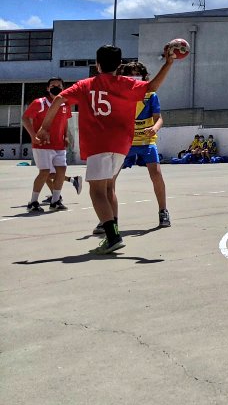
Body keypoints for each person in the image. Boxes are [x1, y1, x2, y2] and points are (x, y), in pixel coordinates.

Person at [35, 44, 178, 254]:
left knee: (97, 191)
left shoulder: (86, 85)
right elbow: (152, 86)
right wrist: (168, 63)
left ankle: (112, 237)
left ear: (97, 64)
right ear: (119, 65)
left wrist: (45, 127)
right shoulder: (127, 84)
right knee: (109, 188)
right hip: (122, 145)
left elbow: (58, 99)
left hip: (99, 144)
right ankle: (113, 226)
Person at [117, 61, 171, 228]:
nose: (134, 77)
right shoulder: (119, 95)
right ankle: (108, 218)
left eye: (137, 74)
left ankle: (163, 211)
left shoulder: (150, 95)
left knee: (156, 174)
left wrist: (154, 128)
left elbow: (159, 118)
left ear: (144, 76)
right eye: (130, 74)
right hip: (124, 143)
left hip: (146, 141)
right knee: (109, 178)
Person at [21, 77, 81, 212]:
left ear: (63, 88)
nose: (56, 87)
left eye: (59, 85)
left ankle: (55, 201)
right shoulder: (40, 103)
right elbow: (25, 118)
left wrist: (66, 136)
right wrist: (33, 135)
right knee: (45, 172)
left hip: (59, 144)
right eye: (53, 85)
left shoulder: (65, 104)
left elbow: (65, 121)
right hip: (43, 144)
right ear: (48, 88)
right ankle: (33, 202)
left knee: (61, 171)